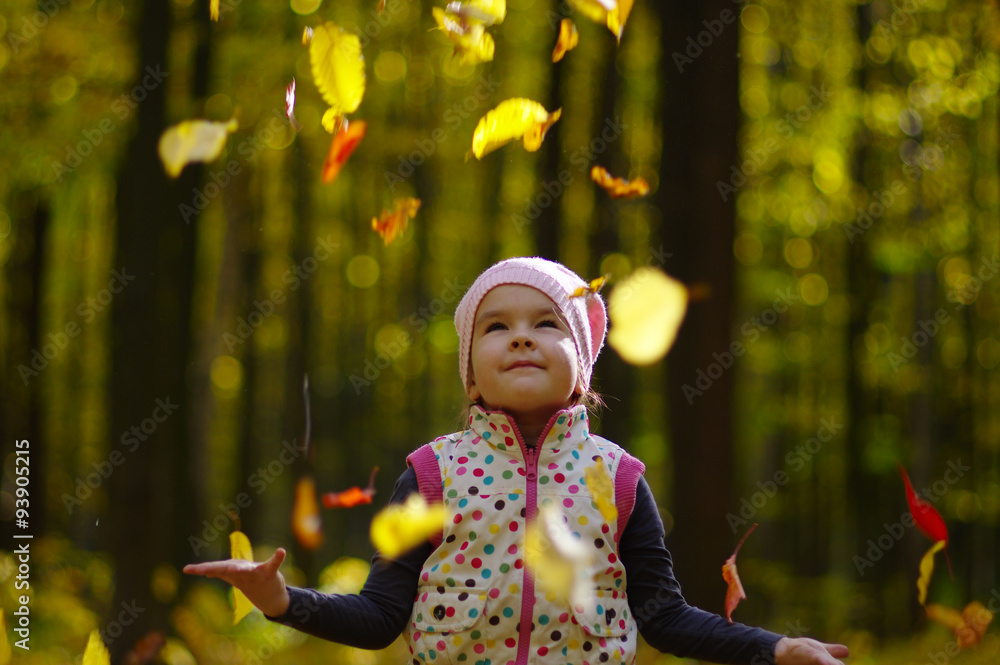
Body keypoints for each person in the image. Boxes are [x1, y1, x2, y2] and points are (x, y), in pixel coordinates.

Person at [185, 257, 849, 665]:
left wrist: (774, 647)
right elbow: (379, 618)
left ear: (582, 369)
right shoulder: (431, 475)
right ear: (470, 374)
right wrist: (279, 599)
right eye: (496, 325)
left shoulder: (617, 479)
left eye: (546, 322)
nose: (522, 334)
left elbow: (666, 615)